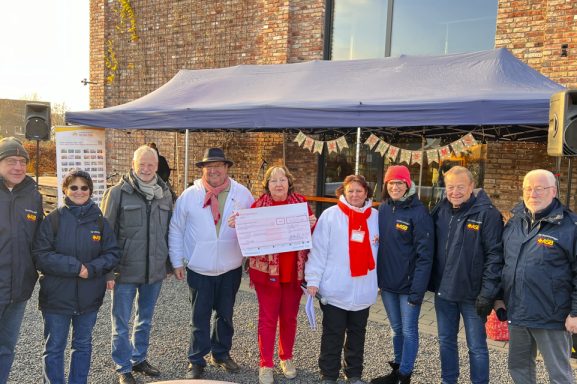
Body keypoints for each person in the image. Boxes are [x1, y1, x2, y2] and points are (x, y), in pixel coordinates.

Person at [169, 147, 254, 380]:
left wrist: (252, 257)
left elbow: (255, 227)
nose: (213, 170)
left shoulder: (243, 195)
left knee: (225, 314)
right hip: (199, 266)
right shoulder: (189, 195)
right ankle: (196, 359)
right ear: (203, 170)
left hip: (230, 266)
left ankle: (221, 353)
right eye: (209, 166)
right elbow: (176, 229)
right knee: (199, 316)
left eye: (218, 165)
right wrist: (177, 261)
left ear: (227, 168)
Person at [228, 165, 316, 384]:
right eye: (274, 180)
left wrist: (313, 224)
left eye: (283, 179)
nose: (279, 184)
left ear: (289, 182)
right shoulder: (258, 206)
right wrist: (237, 225)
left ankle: (286, 357)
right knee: (267, 319)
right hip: (266, 274)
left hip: (293, 273)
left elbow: (312, 237)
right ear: (267, 185)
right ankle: (265, 363)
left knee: (289, 318)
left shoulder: (301, 205)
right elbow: (248, 237)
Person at [33, 169, 120, 384]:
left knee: (82, 346)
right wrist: (75, 267)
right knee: (54, 348)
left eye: (84, 187)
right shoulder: (52, 220)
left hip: (89, 298)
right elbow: (41, 255)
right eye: (74, 187)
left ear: (90, 191)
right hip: (56, 298)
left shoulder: (100, 221)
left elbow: (112, 253)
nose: (79, 191)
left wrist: (91, 269)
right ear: (65, 190)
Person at [100, 145, 174, 384]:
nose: (146, 169)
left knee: (146, 318)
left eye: (150, 165)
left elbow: (169, 231)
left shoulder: (165, 193)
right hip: (125, 270)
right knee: (120, 321)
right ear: (133, 165)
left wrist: (169, 264)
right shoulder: (117, 193)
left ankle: (139, 358)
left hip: (154, 270)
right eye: (141, 164)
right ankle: (123, 366)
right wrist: (108, 270)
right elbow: (106, 233)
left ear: (157, 167)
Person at [429, 165, 503, 384]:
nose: (455, 192)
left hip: (473, 295)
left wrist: (488, 293)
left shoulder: (488, 214)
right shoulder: (440, 209)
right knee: (445, 341)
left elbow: (495, 256)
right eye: (450, 187)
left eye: (460, 186)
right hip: (444, 292)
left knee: (477, 347)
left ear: (472, 186)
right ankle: (448, 380)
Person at [502, 169, 577, 383]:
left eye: (539, 189)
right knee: (519, 369)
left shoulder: (570, 227)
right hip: (517, 311)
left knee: (559, 374)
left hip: (552, 315)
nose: (532, 194)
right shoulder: (515, 222)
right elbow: (505, 262)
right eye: (528, 188)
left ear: (553, 191)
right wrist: (499, 298)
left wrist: (576, 312)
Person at [305, 174, 379, 384]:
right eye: (351, 191)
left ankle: (354, 373)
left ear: (366, 193)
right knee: (332, 335)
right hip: (335, 288)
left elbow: (381, 252)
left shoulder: (375, 217)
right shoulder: (330, 216)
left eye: (359, 190)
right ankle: (329, 374)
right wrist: (313, 279)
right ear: (343, 193)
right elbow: (318, 250)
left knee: (357, 334)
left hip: (363, 289)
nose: (355, 194)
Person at [371, 166, 434, 384]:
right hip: (388, 284)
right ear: (386, 186)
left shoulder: (419, 212)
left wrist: (417, 291)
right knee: (395, 330)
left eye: (399, 183)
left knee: (408, 331)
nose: (395, 187)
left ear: (408, 185)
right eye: (391, 183)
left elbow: (425, 256)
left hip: (409, 287)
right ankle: (396, 370)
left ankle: (405, 374)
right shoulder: (384, 209)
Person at [0, 137, 43, 384]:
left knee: (6, 348)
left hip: (19, 290)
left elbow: (40, 242)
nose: (18, 167)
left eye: (22, 162)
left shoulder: (32, 197)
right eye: (10, 161)